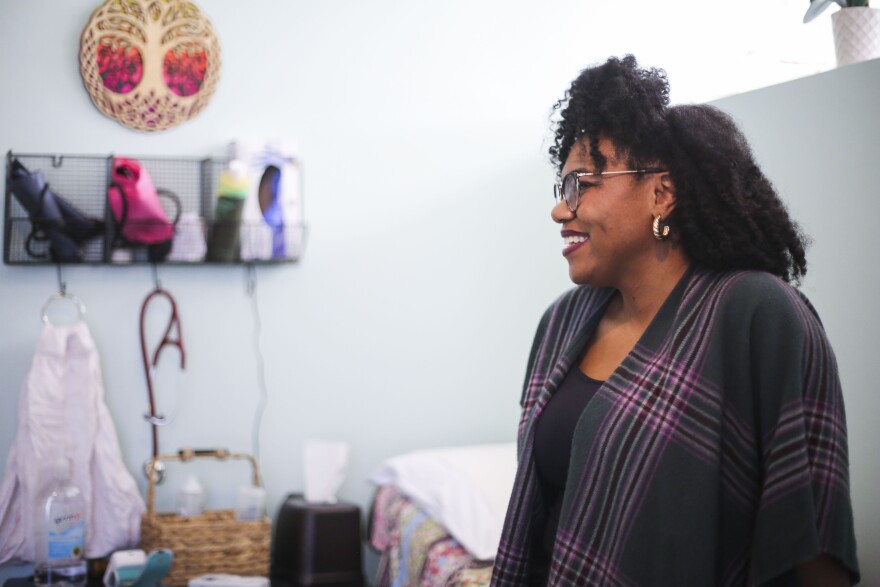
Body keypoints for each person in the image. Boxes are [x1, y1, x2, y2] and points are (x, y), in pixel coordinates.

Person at [490, 55, 859, 587]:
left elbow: (811, 536)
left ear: (661, 193)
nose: (559, 211)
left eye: (581, 184)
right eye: (560, 189)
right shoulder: (559, 325)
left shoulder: (756, 313)